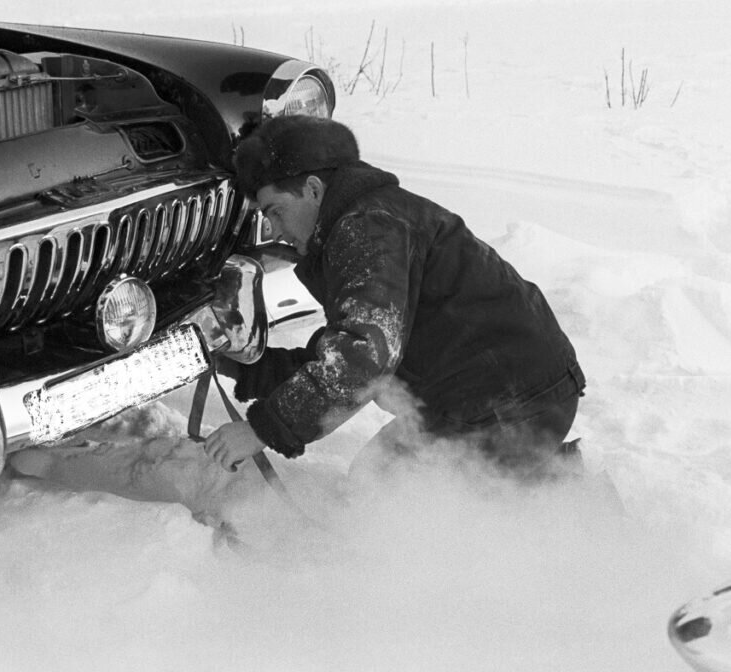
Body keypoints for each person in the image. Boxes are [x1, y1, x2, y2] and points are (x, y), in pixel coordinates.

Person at [203, 115, 585, 482]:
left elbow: (361, 358)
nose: (275, 229)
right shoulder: (367, 217)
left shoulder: (366, 228)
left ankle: (558, 514)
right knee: (382, 482)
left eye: (277, 211)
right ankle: (550, 488)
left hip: (512, 404)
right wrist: (244, 369)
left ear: (315, 189)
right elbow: (347, 350)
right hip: (509, 393)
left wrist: (261, 430)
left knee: (384, 494)